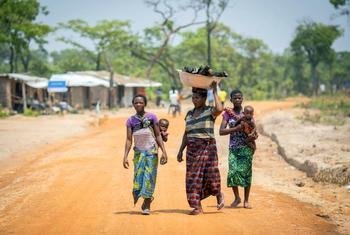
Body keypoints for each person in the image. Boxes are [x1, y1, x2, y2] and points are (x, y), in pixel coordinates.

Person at [177, 81, 225, 215]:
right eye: (193, 98)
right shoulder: (189, 114)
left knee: (211, 175)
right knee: (193, 178)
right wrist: (181, 150)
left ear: (204, 99)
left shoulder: (210, 111)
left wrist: (215, 89)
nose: (194, 100)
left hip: (207, 147)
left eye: (197, 98)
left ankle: (218, 194)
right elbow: (186, 133)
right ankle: (197, 206)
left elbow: (220, 109)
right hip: (192, 149)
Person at [123, 94, 168, 215]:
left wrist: (164, 152)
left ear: (145, 104)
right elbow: (128, 139)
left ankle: (147, 202)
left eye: (141, 102)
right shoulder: (130, 121)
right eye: (136, 103)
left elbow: (158, 135)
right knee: (138, 178)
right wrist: (125, 156)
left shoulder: (152, 117)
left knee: (150, 177)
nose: (138, 104)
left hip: (151, 152)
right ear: (133, 104)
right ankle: (141, 196)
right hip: (138, 153)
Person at [219, 89, 257, 209]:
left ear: (242, 99)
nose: (237, 100)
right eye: (235, 98)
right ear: (231, 100)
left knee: (246, 173)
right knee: (232, 172)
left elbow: (254, 130)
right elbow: (221, 131)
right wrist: (236, 128)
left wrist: (252, 136)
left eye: (239, 98)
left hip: (246, 147)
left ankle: (246, 200)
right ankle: (237, 198)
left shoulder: (247, 113)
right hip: (234, 148)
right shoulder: (227, 114)